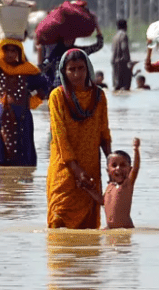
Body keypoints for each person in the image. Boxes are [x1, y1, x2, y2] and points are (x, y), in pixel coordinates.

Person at [46, 49, 112, 229]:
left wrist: (111, 161)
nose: (77, 74)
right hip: (65, 169)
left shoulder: (98, 96)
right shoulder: (57, 97)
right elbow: (60, 137)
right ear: (64, 73)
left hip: (90, 168)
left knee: (88, 229)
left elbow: (104, 132)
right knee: (59, 218)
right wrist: (76, 170)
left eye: (81, 68)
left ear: (88, 69)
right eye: (71, 69)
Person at [0, 3, 50, 167]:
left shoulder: (27, 71)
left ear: (19, 53)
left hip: (22, 122)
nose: (10, 54)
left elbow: (45, 86)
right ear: (2, 51)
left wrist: (33, 101)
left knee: (23, 165)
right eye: (7, 50)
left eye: (14, 51)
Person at [81, 138, 141, 229]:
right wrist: (88, 189)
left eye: (123, 165)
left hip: (125, 229)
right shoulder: (110, 186)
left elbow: (136, 169)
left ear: (129, 169)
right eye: (114, 165)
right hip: (110, 228)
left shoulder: (126, 185)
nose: (118, 168)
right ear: (108, 171)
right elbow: (102, 201)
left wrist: (136, 150)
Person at [39, 26, 104, 88]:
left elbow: (98, 46)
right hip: (59, 86)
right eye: (68, 36)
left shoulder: (77, 52)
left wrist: (98, 28)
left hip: (76, 87)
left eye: (72, 36)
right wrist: (39, 54)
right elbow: (43, 67)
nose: (70, 39)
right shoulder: (56, 52)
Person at [111, 19, 133, 91]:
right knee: (125, 87)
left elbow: (112, 50)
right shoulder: (124, 35)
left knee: (116, 86)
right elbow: (124, 48)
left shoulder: (115, 37)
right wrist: (129, 62)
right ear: (126, 26)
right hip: (122, 62)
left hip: (114, 62)